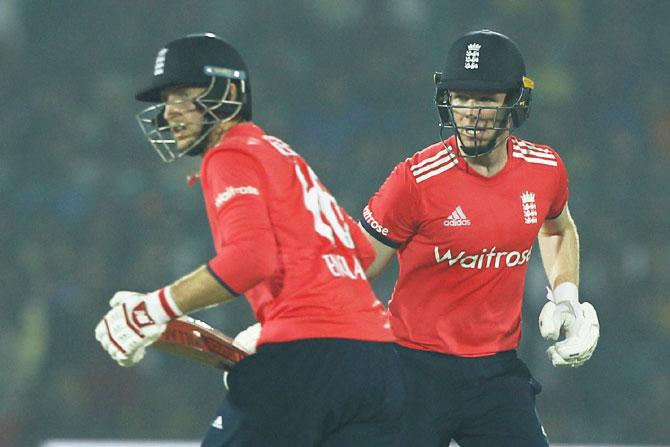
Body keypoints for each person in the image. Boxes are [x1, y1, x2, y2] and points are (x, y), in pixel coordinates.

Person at [94, 33, 404, 447]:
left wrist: (153, 309)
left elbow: (250, 260)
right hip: (379, 364)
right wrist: (272, 328)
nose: (171, 113)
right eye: (167, 100)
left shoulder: (230, 154)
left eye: (184, 95)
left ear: (229, 93)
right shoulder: (281, 154)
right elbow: (361, 254)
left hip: (307, 358)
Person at [358, 29, 600, 446]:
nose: (471, 112)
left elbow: (558, 227)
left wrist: (566, 297)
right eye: (462, 97)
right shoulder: (414, 180)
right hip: (413, 370)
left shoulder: (545, 169)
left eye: (485, 99)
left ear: (514, 102)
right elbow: (356, 264)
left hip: (496, 375)